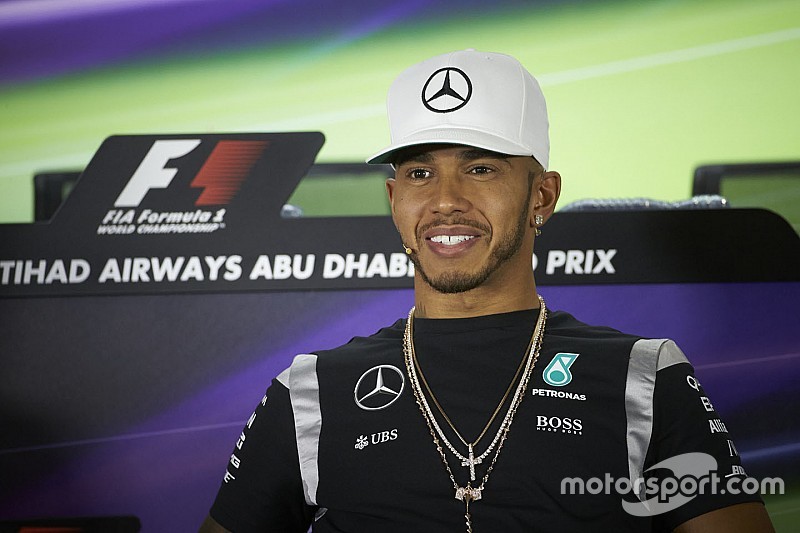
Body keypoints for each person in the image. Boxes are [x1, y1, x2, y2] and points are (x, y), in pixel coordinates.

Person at [200, 50, 773, 532]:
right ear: (393, 200)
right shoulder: (311, 391)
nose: (445, 200)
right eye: (420, 173)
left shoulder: (643, 375)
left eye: (481, 169)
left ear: (542, 197)